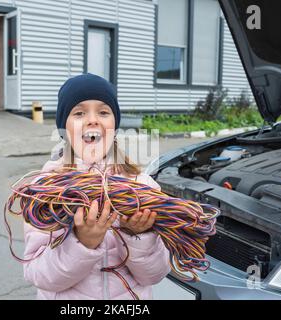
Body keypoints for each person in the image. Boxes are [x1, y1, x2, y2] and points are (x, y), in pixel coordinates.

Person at [22, 73, 171, 299]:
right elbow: (39, 275)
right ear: (64, 127)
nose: (92, 120)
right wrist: (83, 244)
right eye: (79, 113)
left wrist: (139, 236)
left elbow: (154, 276)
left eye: (103, 112)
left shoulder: (142, 186)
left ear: (114, 124)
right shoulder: (46, 191)